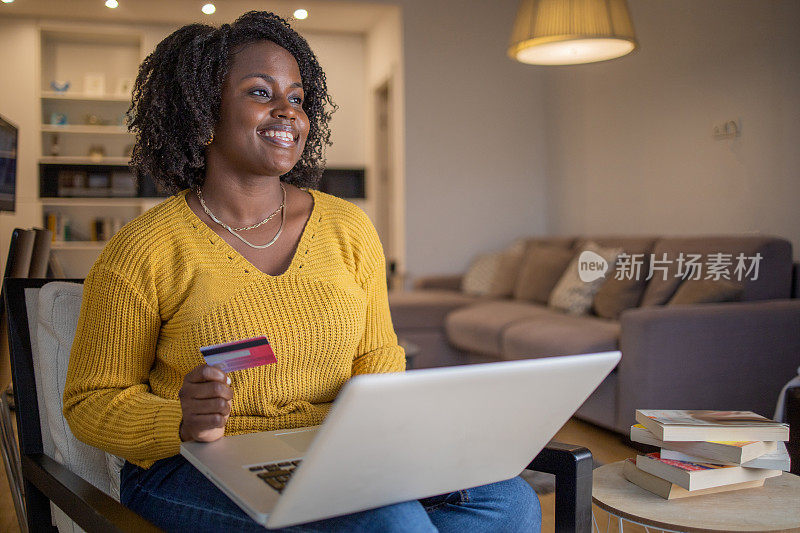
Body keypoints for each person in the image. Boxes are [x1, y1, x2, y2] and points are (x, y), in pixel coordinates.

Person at [63, 11, 541, 532]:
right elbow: (93, 402)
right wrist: (181, 419)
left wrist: (372, 440)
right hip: (192, 465)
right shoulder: (145, 248)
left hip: (334, 452)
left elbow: (377, 354)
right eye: (260, 93)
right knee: (388, 522)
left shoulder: (348, 228)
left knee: (509, 501)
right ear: (204, 112)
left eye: (296, 97)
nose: (287, 112)